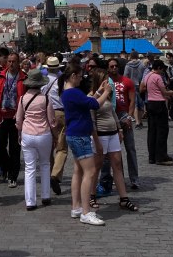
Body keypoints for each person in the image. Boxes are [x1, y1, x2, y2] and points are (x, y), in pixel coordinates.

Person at [61, 61, 112, 226]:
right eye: (79, 76)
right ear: (73, 76)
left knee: (78, 171)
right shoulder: (74, 92)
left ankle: (76, 207)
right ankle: (86, 211)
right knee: (90, 172)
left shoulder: (67, 92)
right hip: (80, 135)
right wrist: (107, 92)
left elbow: (87, 102)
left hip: (74, 134)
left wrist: (98, 92)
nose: (81, 79)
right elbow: (94, 105)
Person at [89, 67, 138, 213]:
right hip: (101, 134)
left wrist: (119, 129)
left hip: (113, 133)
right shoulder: (92, 96)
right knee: (96, 166)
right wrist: (96, 139)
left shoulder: (108, 95)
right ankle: (91, 195)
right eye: (105, 79)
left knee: (117, 164)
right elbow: (91, 119)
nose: (109, 82)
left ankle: (124, 198)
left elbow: (112, 112)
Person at [16, 68, 55, 210]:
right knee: (45, 164)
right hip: (44, 133)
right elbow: (51, 121)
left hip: (27, 134)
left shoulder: (22, 98)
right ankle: (45, 195)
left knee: (30, 168)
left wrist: (19, 133)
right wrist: (55, 134)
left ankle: (30, 201)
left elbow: (19, 120)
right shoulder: (45, 98)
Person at [0, 52, 26, 188]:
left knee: (14, 149)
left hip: (16, 116)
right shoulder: (0, 76)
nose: (11, 64)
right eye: (9, 61)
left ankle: (13, 176)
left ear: (18, 63)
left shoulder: (24, 78)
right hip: (1, 116)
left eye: (14, 61)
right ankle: (6, 167)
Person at [106, 58, 139, 190]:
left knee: (130, 148)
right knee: (114, 151)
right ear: (108, 68)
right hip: (110, 115)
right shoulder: (106, 82)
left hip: (124, 115)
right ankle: (119, 177)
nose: (114, 68)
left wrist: (129, 117)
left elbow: (132, 101)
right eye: (111, 66)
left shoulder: (127, 81)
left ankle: (134, 179)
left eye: (116, 66)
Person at [141, 59, 173, 166]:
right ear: (158, 68)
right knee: (162, 130)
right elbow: (164, 92)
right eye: (162, 69)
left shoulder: (147, 76)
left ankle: (152, 156)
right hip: (159, 104)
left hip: (150, 103)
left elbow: (143, 88)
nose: (163, 71)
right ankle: (161, 156)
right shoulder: (157, 77)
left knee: (152, 131)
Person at [41, 56, 67, 195]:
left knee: (49, 147)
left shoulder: (43, 81)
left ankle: (51, 174)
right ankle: (55, 175)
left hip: (46, 113)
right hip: (60, 112)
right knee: (62, 147)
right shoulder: (61, 81)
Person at [123, 52, 145, 128]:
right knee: (141, 104)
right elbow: (144, 75)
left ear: (130, 56)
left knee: (134, 104)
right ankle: (140, 120)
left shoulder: (128, 65)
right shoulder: (142, 65)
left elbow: (125, 76)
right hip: (140, 85)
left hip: (131, 86)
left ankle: (137, 122)